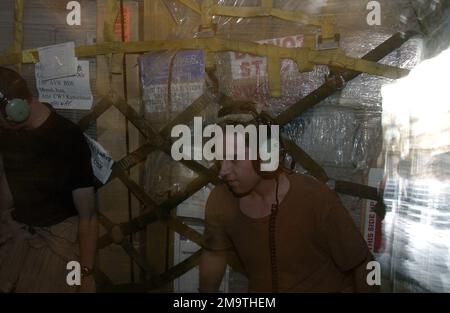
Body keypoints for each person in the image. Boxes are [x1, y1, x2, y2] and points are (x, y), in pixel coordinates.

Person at [199, 100, 377, 293]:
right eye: (219, 158)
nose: (222, 171)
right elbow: (214, 255)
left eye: (233, 159)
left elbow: (365, 264)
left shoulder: (315, 199)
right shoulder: (220, 201)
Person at [0, 66, 97, 292]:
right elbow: (7, 193)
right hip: (17, 232)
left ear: (16, 110)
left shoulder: (67, 137)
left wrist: (85, 275)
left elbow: (88, 216)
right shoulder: (8, 134)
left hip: (57, 240)